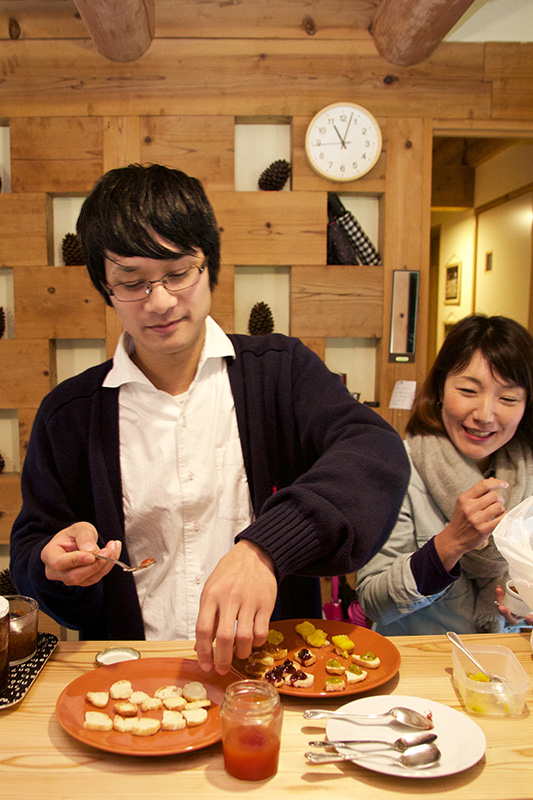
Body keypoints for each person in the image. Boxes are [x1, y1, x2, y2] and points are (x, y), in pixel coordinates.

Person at [9, 163, 409, 673]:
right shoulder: (69, 415)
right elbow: (30, 551)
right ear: (105, 288)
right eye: (131, 282)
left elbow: (375, 455)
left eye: (177, 273)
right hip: (133, 678)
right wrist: (54, 565)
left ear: (209, 265)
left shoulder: (281, 373)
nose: (159, 301)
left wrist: (267, 548)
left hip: (273, 676)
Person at [356, 314, 533, 636]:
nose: (484, 415)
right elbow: (372, 600)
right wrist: (451, 543)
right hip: (422, 670)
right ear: (440, 388)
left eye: (507, 398)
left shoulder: (529, 476)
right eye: (468, 390)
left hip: (506, 671)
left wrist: (525, 606)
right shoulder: (398, 468)